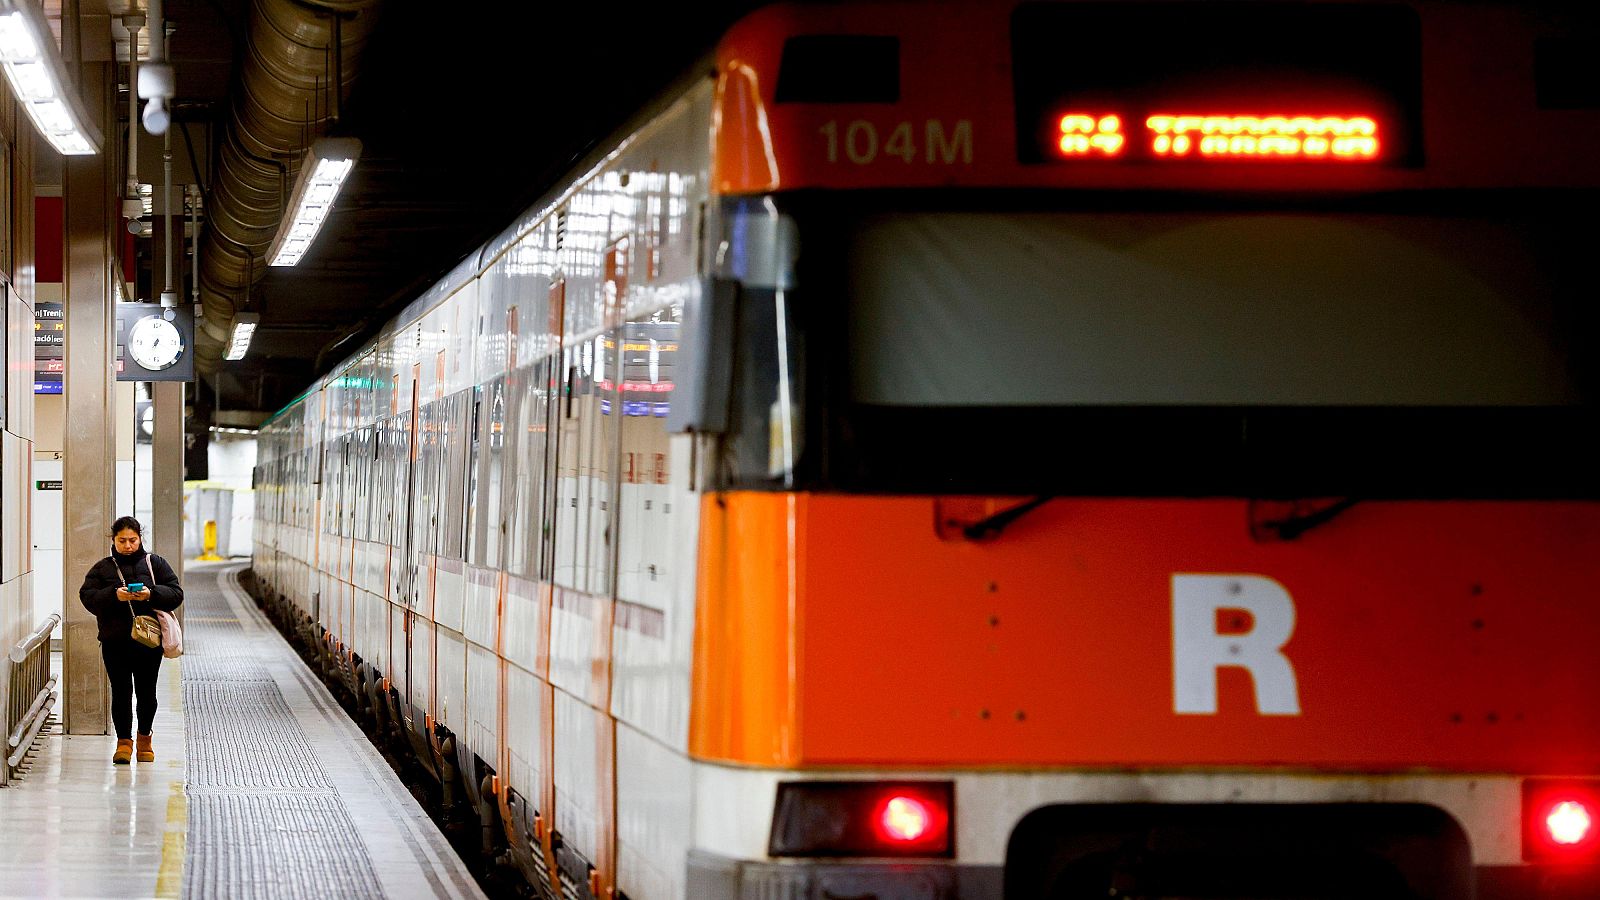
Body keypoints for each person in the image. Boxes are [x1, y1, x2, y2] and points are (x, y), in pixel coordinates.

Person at [78, 516, 184, 765]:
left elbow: (176, 593)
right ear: (113, 540)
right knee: (121, 692)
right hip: (115, 641)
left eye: (132, 540)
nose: (127, 545)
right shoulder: (103, 568)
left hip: (148, 641)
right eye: (122, 540)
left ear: (140, 539)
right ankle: (124, 742)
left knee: (147, 692)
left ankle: (145, 739)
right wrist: (115, 595)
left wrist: (151, 594)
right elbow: (87, 597)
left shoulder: (154, 564)